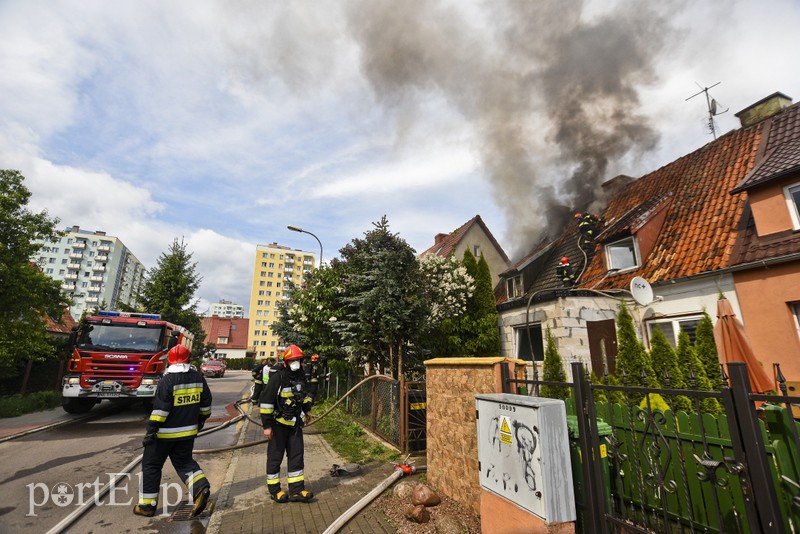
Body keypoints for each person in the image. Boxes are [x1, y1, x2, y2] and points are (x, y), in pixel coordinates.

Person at [135, 345, 212, 517]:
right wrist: (200, 421)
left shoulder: (167, 380)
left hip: (163, 435)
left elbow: (160, 411)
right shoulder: (198, 378)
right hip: (188, 434)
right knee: (184, 463)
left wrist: (150, 431)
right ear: (189, 359)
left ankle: (147, 506)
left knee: (151, 466)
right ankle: (201, 488)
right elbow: (206, 406)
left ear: (169, 361)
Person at [259, 344, 314, 503]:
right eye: (292, 360)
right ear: (286, 362)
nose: (295, 363)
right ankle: (275, 491)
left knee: (297, 456)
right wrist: (267, 426)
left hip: (295, 426)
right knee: (275, 458)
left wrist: (306, 411)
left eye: (298, 360)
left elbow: (303, 397)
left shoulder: (301, 377)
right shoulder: (279, 377)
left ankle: (297, 490)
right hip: (278, 426)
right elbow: (266, 402)